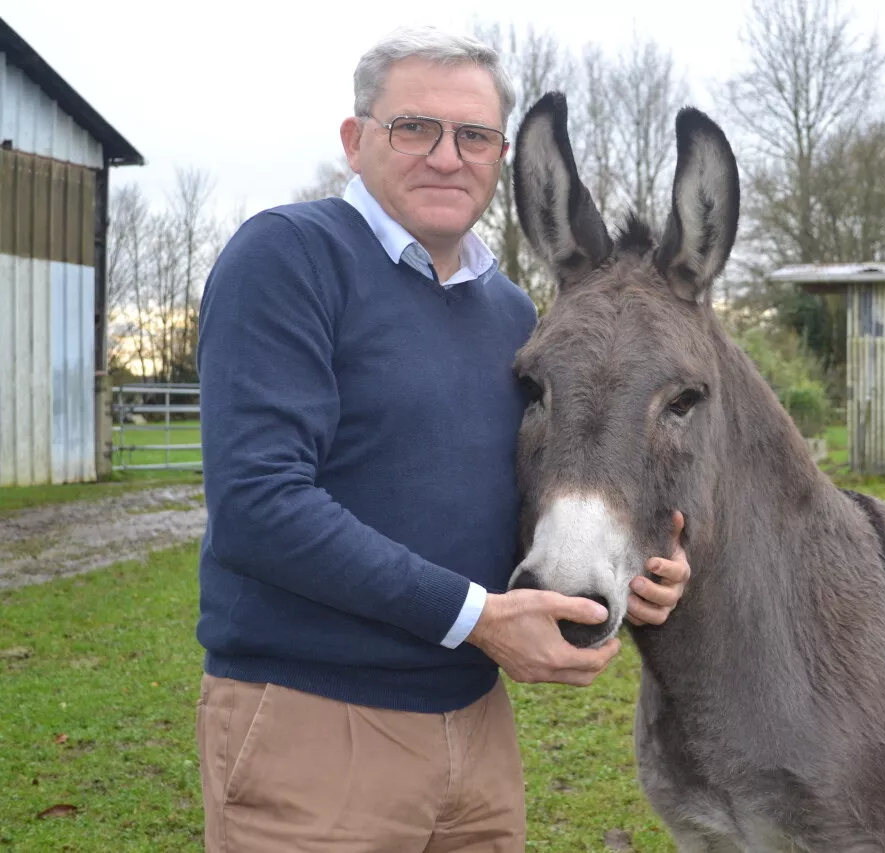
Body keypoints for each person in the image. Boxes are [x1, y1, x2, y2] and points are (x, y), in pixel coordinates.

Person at [194, 25, 690, 852]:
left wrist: (642, 563)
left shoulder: (513, 318)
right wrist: (478, 617)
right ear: (356, 141)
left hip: (477, 730)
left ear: (499, 157)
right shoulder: (288, 259)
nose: (446, 156)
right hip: (316, 726)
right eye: (414, 128)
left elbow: (507, 502)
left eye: (473, 136)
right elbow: (259, 505)